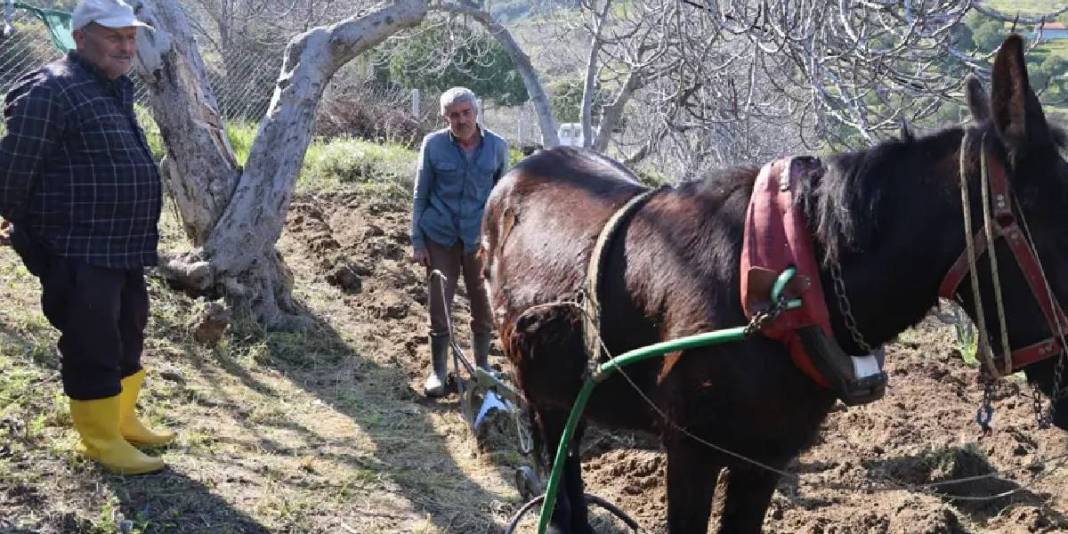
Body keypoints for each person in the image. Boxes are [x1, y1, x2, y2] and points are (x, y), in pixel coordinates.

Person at [0, 0, 173, 474]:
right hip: (76, 246)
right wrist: (16, 223)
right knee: (91, 340)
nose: (126, 46)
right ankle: (98, 439)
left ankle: (120, 419)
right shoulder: (51, 88)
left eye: (131, 37)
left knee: (128, 329)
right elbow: (14, 167)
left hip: (122, 245)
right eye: (114, 37)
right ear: (80, 38)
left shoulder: (112, 87)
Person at [410, 87, 509, 398]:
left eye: (466, 112)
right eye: (454, 115)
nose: (461, 119)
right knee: (439, 304)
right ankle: (439, 372)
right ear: (445, 117)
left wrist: (502, 243)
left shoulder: (497, 147)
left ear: (476, 112)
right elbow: (420, 194)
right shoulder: (433, 145)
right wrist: (417, 241)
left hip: (479, 239)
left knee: (484, 306)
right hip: (439, 235)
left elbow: (503, 199)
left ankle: (482, 366)